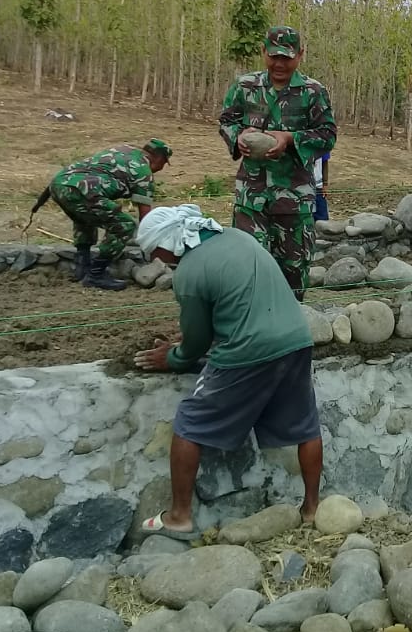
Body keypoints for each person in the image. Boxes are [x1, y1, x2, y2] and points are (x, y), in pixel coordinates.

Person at [132, 204, 323, 537]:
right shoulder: (237, 237)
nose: (157, 260)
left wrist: (173, 358)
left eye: (155, 251)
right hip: (296, 340)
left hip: (248, 351)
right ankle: (312, 509)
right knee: (304, 425)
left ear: (168, 241)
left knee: (190, 423)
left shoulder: (188, 273)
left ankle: (180, 515)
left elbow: (196, 343)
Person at [218, 26, 337, 297]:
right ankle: (251, 332)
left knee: (293, 273)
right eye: (273, 56)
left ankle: (289, 332)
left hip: (294, 201)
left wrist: (290, 139)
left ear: (300, 55)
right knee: (247, 268)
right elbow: (226, 121)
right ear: (263, 52)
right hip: (252, 200)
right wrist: (238, 137)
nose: (279, 63)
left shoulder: (313, 92)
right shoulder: (245, 86)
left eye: (287, 57)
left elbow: (328, 136)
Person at [45, 139, 172, 290]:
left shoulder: (123, 150)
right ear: (159, 158)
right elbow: (145, 217)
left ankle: (82, 268)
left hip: (58, 184)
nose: (161, 169)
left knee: (85, 218)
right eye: (164, 164)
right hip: (84, 189)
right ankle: (96, 275)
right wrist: (151, 242)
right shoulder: (143, 172)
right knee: (124, 225)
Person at [313, 151, 332, 222]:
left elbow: (324, 162)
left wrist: (325, 183)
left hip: (318, 187)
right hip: (300, 188)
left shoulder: (321, 142)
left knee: (322, 220)